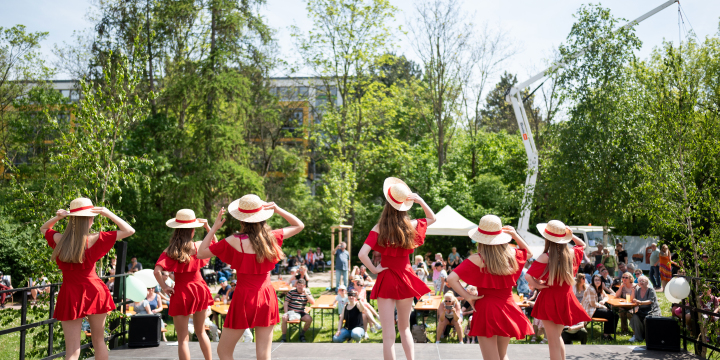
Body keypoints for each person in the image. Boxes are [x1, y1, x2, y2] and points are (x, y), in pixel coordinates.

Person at [197, 195, 304, 360]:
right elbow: (299, 225)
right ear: (262, 217)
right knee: (263, 355)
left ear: (241, 220)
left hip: (243, 297)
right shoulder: (271, 237)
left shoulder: (233, 240)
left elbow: (201, 253)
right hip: (267, 296)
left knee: (223, 351)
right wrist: (277, 209)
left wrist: (213, 229)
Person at [40, 198, 135, 360]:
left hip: (70, 292)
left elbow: (44, 228)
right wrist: (108, 213)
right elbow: (129, 230)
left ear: (72, 219)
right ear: (90, 219)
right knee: (99, 342)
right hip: (94, 291)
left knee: (72, 350)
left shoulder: (60, 240)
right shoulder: (97, 238)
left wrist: (59, 217)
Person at [357, 177, 436, 360]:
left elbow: (362, 254)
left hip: (386, 279)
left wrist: (375, 270)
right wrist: (420, 200)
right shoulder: (411, 225)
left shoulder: (379, 228)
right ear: (404, 205)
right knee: (405, 328)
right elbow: (432, 218)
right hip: (406, 279)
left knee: (388, 336)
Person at [448, 216, 534, 360]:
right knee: (502, 355)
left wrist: (468, 296)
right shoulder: (511, 255)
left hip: (486, 308)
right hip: (508, 307)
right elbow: (529, 253)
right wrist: (515, 235)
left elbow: (451, 279)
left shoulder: (477, 258)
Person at [153, 209, 216, 360]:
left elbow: (156, 271)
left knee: (183, 339)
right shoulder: (199, 246)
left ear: (176, 230)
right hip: (199, 289)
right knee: (201, 332)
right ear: (192, 231)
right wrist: (208, 227)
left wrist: (164, 287)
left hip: (181, 291)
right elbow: (216, 245)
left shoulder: (169, 251)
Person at [525, 220, 590, 360]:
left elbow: (527, 275)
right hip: (566, 298)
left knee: (552, 342)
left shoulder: (545, 257)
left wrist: (537, 285)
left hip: (549, 298)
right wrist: (570, 234)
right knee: (557, 338)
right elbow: (582, 245)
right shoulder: (571, 254)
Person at [582, 274, 617, 340]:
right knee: (610, 314)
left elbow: (606, 296)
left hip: (596, 308)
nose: (597, 281)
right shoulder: (591, 289)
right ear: (592, 281)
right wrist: (603, 307)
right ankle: (606, 335)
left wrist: (603, 301)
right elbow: (592, 304)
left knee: (615, 314)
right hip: (590, 310)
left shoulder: (599, 288)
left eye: (599, 280)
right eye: (596, 280)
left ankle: (608, 334)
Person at [629, 275, 661, 342]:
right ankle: (638, 337)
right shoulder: (638, 289)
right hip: (642, 310)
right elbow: (633, 300)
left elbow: (650, 301)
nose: (641, 282)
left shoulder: (650, 290)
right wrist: (632, 290)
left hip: (652, 310)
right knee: (635, 317)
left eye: (643, 281)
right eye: (639, 281)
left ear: (647, 282)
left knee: (646, 319)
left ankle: (648, 337)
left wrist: (640, 302)